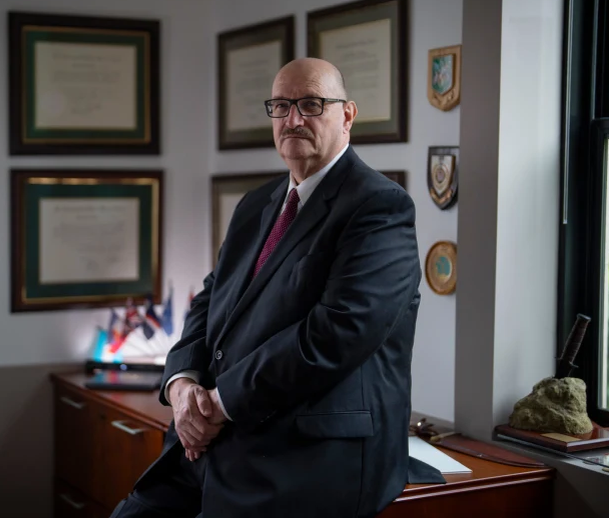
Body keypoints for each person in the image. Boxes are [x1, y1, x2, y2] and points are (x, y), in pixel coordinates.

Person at [110, 57, 421, 518]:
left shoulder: (379, 207)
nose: (293, 119)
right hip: (207, 447)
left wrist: (219, 403)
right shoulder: (258, 204)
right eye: (280, 106)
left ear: (348, 115)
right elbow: (210, 300)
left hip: (301, 462)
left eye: (311, 104)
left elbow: (336, 334)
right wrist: (181, 386)